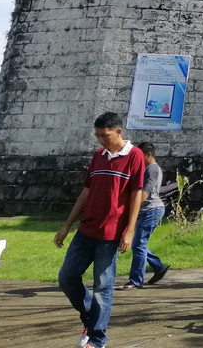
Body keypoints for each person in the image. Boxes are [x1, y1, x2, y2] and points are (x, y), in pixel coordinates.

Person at [55, 111, 145, 348]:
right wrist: (67, 224)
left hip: (110, 233)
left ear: (118, 132)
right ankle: (90, 316)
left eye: (104, 136)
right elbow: (86, 192)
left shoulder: (134, 156)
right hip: (86, 230)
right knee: (66, 277)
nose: (100, 140)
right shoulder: (98, 156)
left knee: (103, 287)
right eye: (97, 136)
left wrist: (129, 230)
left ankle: (97, 339)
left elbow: (137, 193)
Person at [119, 142, 169, 289]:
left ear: (148, 155)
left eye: (141, 156)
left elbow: (145, 192)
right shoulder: (148, 168)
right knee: (139, 244)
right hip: (148, 210)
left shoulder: (152, 169)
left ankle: (135, 281)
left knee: (138, 245)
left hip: (151, 210)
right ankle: (158, 267)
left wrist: (130, 208)